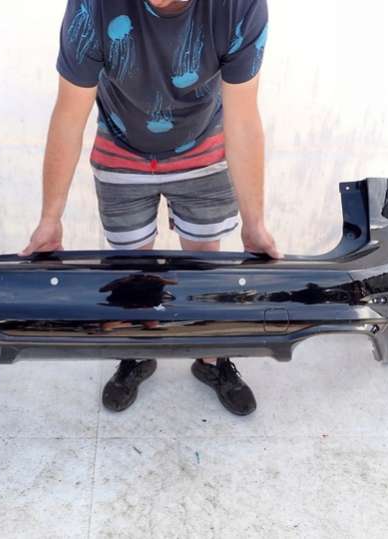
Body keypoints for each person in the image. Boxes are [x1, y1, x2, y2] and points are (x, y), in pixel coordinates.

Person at [21, 0, 282, 416]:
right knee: (131, 264)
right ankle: (137, 351)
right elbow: (70, 114)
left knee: (203, 262)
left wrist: (255, 224)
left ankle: (210, 356)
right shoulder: (92, 6)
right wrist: (50, 219)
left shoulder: (239, 6)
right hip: (121, 143)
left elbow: (244, 118)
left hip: (202, 143)